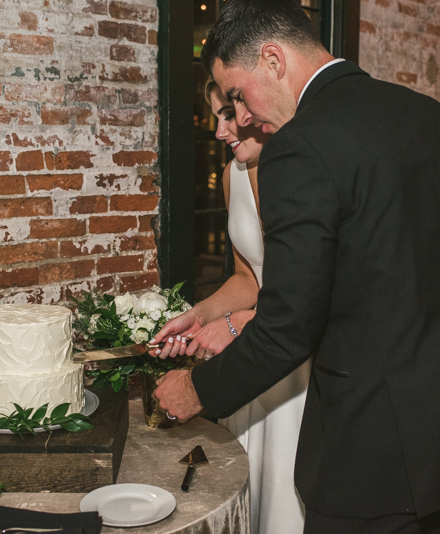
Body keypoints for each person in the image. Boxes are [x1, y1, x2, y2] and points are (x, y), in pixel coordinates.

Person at [154, 1, 440, 533]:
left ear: (273, 59)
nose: (242, 117)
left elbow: (288, 327)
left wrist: (195, 390)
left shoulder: (299, 147)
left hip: (369, 449)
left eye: (240, 96)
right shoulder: (435, 117)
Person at [152, 78, 307, 534]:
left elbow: (310, 292)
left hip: (296, 359)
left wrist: (238, 326)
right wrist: (201, 315)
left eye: (227, 114)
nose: (222, 131)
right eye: (217, 117)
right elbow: (248, 277)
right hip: (252, 363)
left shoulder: (300, 176)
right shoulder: (231, 176)